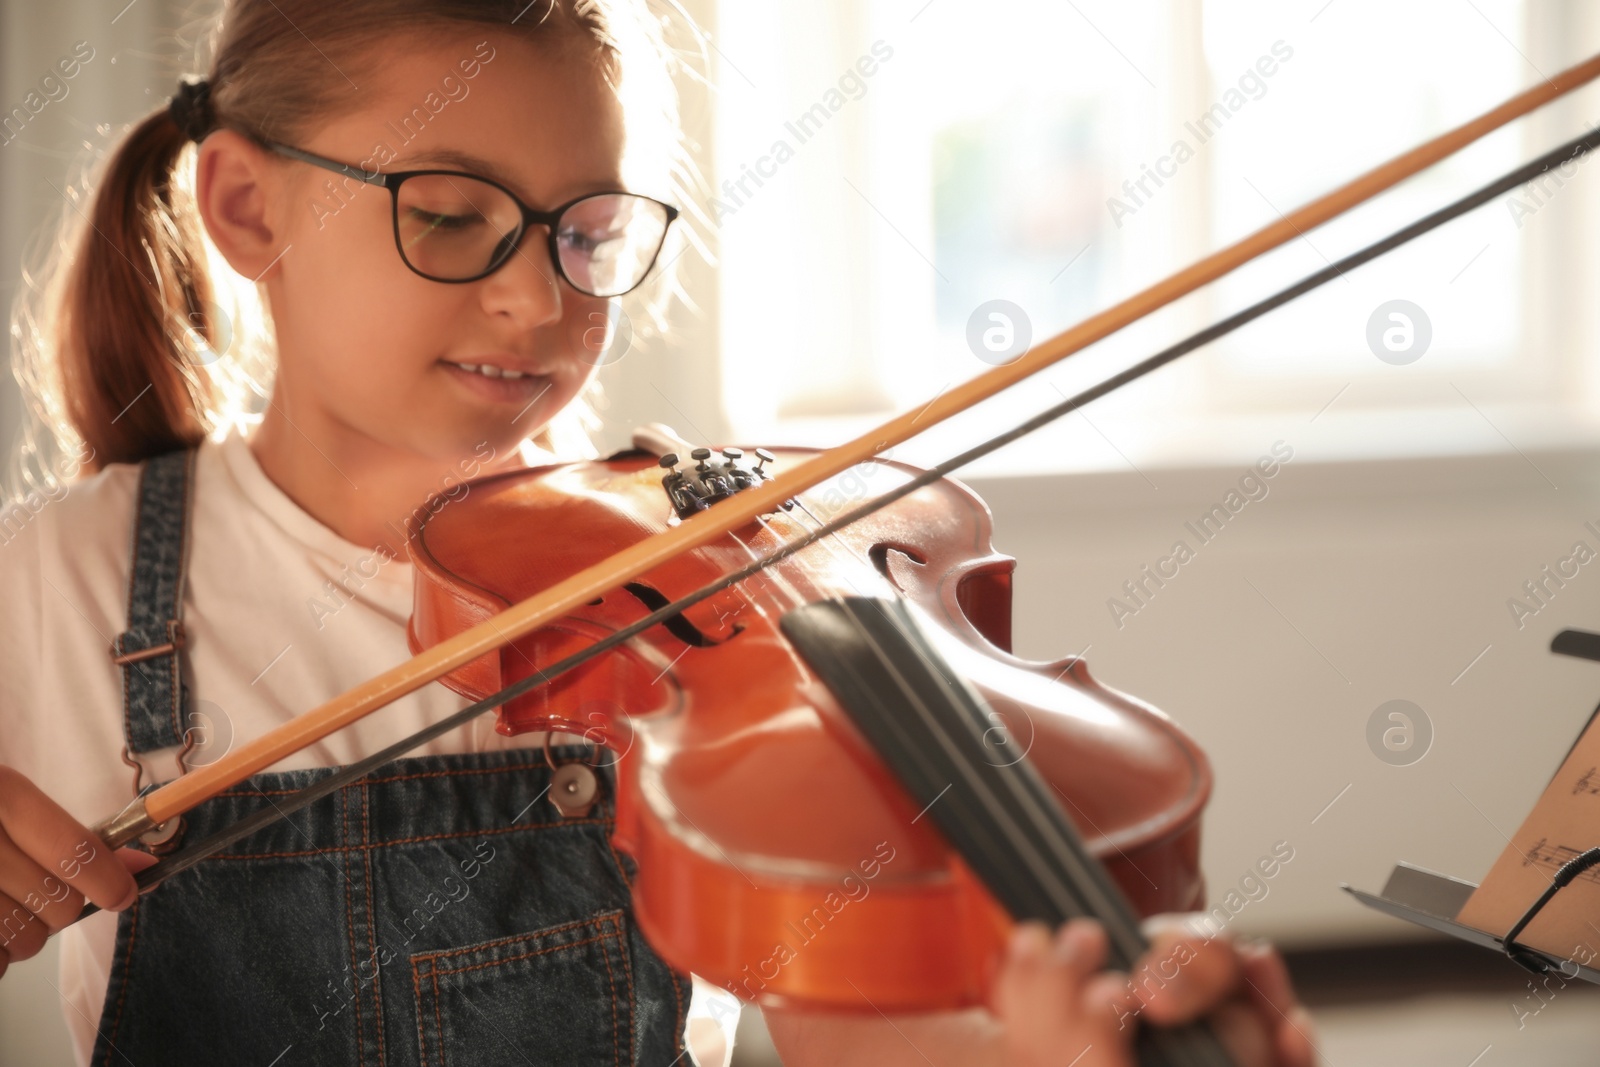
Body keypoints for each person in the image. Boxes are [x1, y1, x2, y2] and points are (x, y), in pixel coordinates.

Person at [0, 1, 1318, 1063]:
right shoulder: (58, 582)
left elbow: (861, 1025)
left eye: (590, 231)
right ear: (245, 209)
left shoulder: (724, 602)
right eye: (451, 215)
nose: (536, 295)